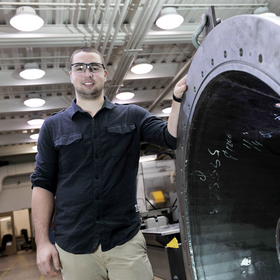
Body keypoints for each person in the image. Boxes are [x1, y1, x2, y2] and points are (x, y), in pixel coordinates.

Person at [31, 46, 187, 280]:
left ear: (105, 74)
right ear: (71, 75)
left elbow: (171, 138)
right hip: (74, 247)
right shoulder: (53, 127)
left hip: (124, 240)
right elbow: (42, 185)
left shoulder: (132, 116)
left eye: (94, 67)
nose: (88, 73)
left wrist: (176, 98)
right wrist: (42, 242)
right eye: (80, 68)